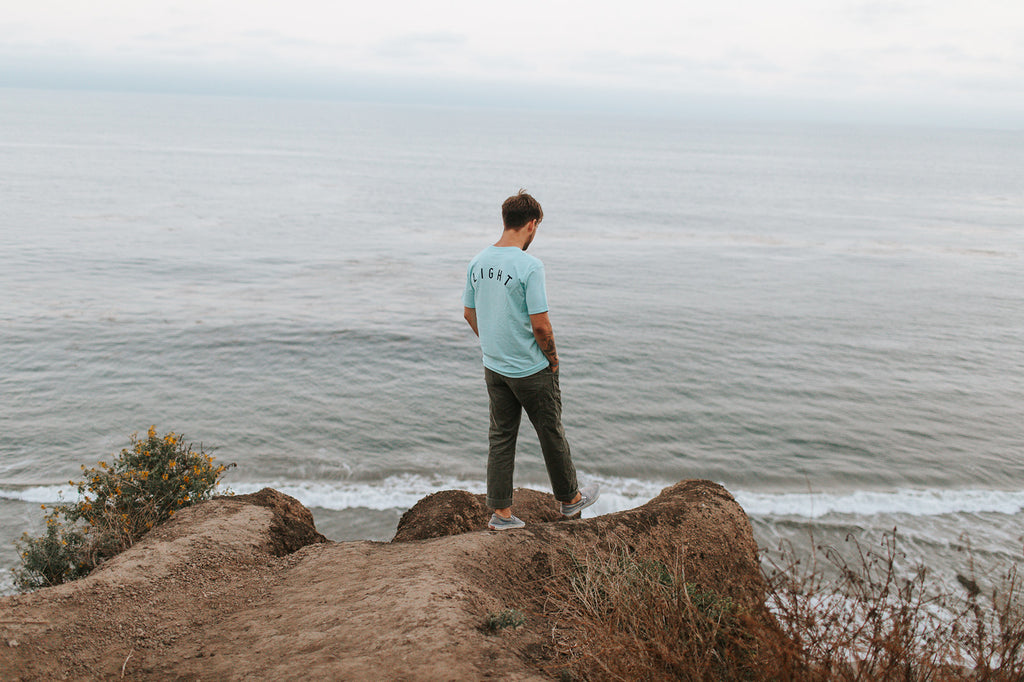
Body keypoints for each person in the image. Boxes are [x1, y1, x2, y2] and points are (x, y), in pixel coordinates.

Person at [462, 190, 599, 530]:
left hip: (494, 366)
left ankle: (501, 514)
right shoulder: (530, 266)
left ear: (505, 220)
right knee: (550, 431)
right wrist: (552, 358)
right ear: (532, 224)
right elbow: (541, 325)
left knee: (501, 437)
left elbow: (469, 313)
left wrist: (493, 343)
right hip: (530, 369)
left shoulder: (477, 262)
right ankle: (570, 499)